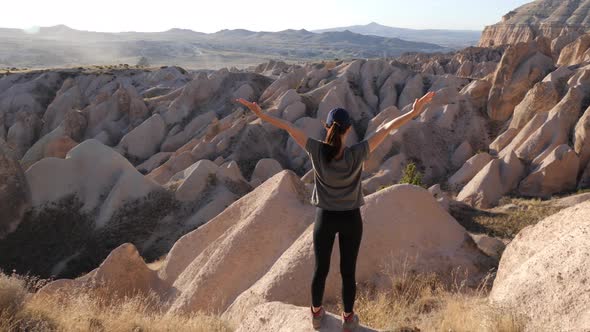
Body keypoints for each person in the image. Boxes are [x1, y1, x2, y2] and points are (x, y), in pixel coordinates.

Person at [235, 91, 435, 331]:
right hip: (351, 218)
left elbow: (288, 126)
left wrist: (261, 114)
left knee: (321, 269)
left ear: (326, 126)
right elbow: (386, 128)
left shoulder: (317, 151)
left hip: (326, 218)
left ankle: (317, 315)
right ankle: (348, 319)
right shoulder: (357, 153)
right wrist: (413, 112)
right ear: (348, 130)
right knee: (348, 271)